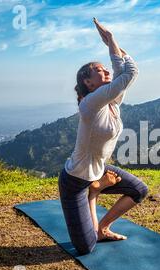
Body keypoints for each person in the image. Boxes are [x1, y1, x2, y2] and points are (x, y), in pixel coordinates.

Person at [58, 18, 148, 255]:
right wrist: (112, 39)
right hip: (75, 182)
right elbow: (130, 72)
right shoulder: (90, 103)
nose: (106, 71)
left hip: (98, 170)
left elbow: (120, 71)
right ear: (88, 83)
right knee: (86, 247)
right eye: (99, 71)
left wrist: (110, 42)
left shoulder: (111, 102)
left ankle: (103, 227)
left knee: (139, 190)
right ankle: (94, 192)